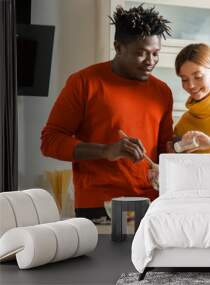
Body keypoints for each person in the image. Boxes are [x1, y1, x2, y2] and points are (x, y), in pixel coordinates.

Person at [40, 5, 173, 220]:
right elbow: (50, 142)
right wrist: (106, 151)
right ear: (118, 47)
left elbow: (164, 151)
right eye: (141, 53)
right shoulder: (84, 82)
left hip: (151, 206)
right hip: (99, 207)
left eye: (155, 54)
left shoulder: (162, 92)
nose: (150, 62)